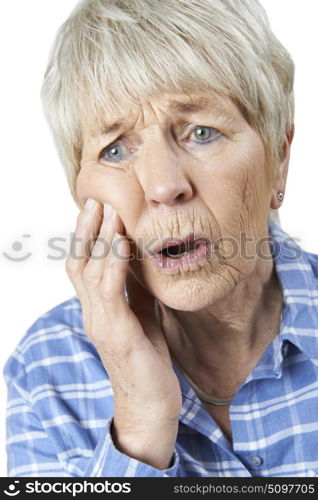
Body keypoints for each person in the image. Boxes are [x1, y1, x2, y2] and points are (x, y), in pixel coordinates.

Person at [4, 0, 318, 478]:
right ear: (79, 193)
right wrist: (140, 424)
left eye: (200, 131)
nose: (162, 186)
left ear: (279, 156)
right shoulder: (46, 368)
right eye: (115, 148)